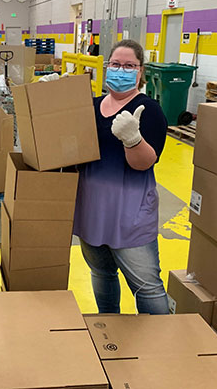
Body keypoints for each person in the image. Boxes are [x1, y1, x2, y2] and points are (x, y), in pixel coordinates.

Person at [73, 39, 169, 315]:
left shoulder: (148, 110)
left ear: (140, 72)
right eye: (116, 64)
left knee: (147, 285)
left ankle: (166, 345)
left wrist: (132, 139)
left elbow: (144, 164)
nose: (121, 70)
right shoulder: (91, 106)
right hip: (91, 209)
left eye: (129, 66)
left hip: (129, 214)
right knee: (102, 273)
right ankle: (109, 328)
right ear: (106, 67)